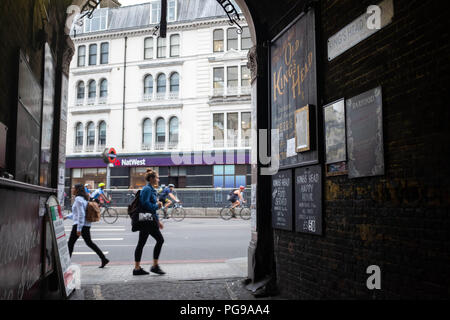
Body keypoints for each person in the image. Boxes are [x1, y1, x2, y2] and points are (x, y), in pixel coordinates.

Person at [67, 184, 109, 268]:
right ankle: (103, 258)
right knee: (89, 243)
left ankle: (66, 264)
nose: (72, 189)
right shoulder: (84, 198)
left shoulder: (78, 199)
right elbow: (77, 213)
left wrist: (79, 229)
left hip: (80, 225)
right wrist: (66, 217)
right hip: (85, 225)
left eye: (73, 188)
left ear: (77, 190)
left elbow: (81, 214)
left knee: (70, 244)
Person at [133, 168, 166, 276]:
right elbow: (145, 204)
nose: (158, 179)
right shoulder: (147, 189)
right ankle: (144, 267)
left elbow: (150, 207)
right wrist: (157, 205)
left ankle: (147, 267)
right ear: (151, 179)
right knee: (147, 242)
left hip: (150, 220)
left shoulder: (151, 189)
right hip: (146, 220)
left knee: (157, 241)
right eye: (157, 177)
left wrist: (158, 221)